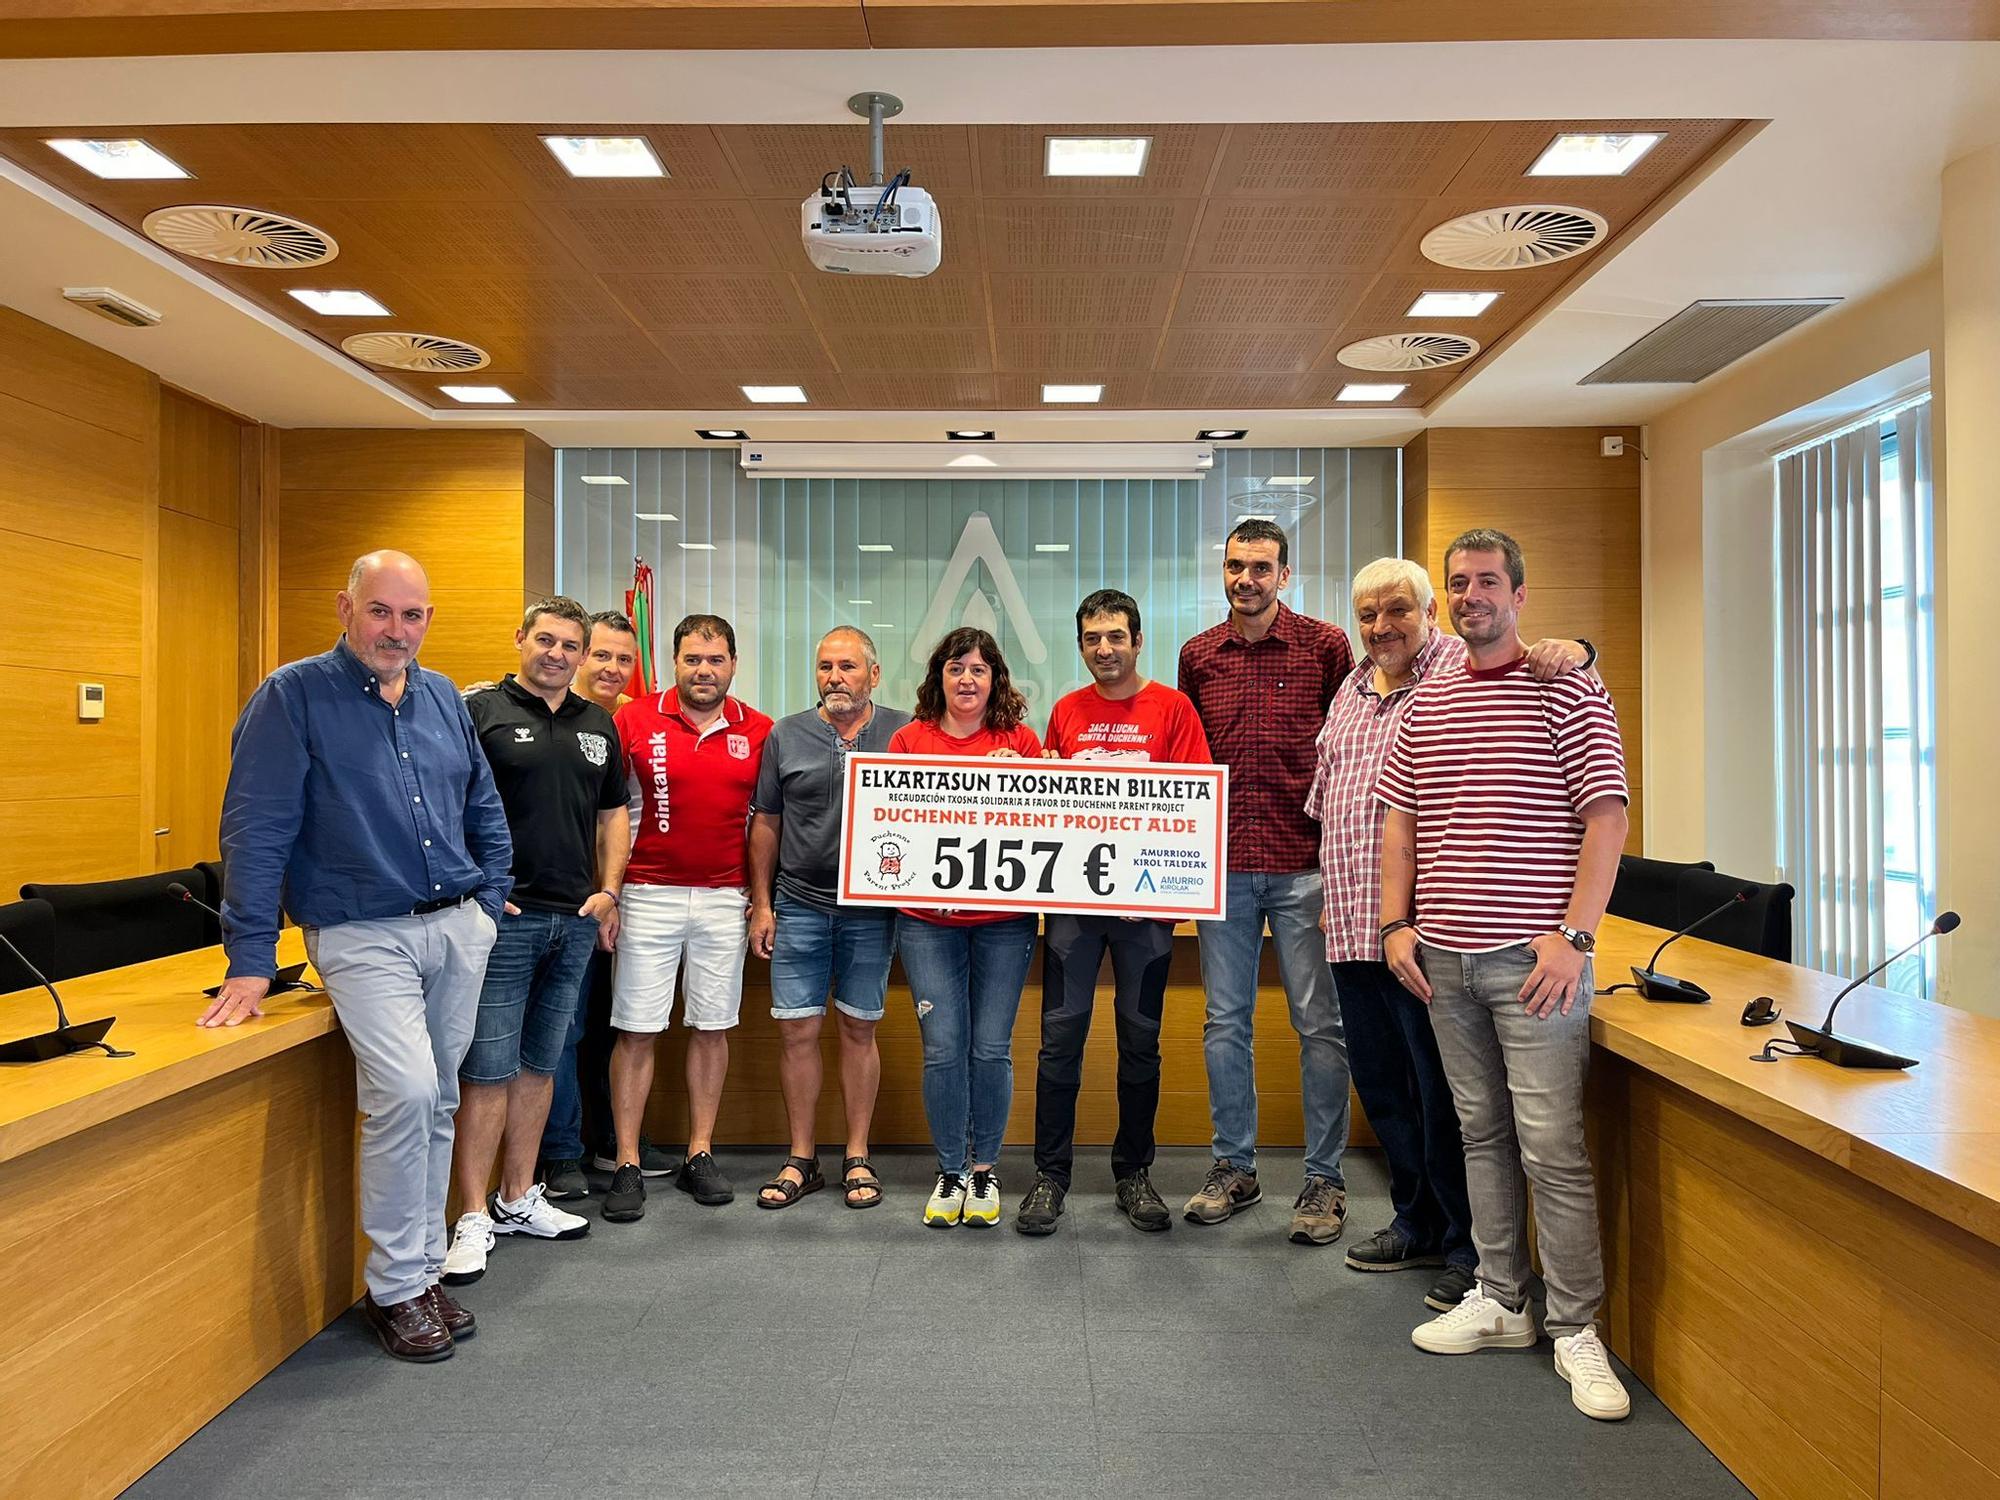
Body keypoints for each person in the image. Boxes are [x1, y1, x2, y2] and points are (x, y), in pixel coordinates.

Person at [206, 550, 509, 1363]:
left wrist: (486, 903)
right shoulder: (292, 696)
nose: (396, 630)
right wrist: (250, 956)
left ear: (428, 622)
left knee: (440, 1097)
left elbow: (483, 805)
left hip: (455, 926)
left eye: (412, 616)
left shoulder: (443, 696)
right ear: (345, 607)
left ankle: (421, 1265)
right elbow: (255, 830)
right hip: (359, 931)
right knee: (406, 1094)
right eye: (380, 611)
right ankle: (394, 1287)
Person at [1378, 528, 1632, 1422]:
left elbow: (1605, 819)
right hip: (1442, 959)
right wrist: (1395, 923)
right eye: (1460, 582)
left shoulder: (1568, 684)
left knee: (1553, 1149)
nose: (1472, 594)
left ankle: (1576, 1328)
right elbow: (1399, 824)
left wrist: (1575, 937)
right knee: (1479, 1134)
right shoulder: (1425, 701)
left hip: (1537, 966)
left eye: (1489, 581)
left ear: (1520, 595)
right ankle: (1502, 1299)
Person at [1308, 557, 1590, 1313]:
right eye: (1367, 615)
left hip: (1432, 935)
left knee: (1446, 1098)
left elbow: (1538, 661)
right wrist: (1340, 902)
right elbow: (1330, 802)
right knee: (1388, 1090)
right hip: (1356, 930)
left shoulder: (1455, 675)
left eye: (1397, 610)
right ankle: (1416, 1222)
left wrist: (1579, 648)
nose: (1381, 627)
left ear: (1430, 611)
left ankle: (1472, 1250)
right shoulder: (1351, 689)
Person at [440, 598, 629, 1286]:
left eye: (570, 645)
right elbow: (442, 803)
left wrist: (609, 889)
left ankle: (519, 1196)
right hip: (503, 921)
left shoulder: (598, 725)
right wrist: (481, 886)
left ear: (582, 655)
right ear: (520, 639)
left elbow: (613, 814)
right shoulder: (479, 713)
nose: (557, 654)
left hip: (574, 919)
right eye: (544, 640)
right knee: (486, 1071)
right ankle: (470, 1217)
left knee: (540, 1066)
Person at [1177, 519, 1353, 1244]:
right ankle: (1234, 1167)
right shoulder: (1198, 656)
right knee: (1225, 1024)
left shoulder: (1327, 647)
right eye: (1234, 566)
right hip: (1223, 872)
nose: (1245, 579)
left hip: (1306, 868)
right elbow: (1188, 762)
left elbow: (1354, 743)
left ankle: (1324, 1179)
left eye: (1260, 567)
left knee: (1320, 1026)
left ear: (1285, 574)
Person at [1016, 589, 1211, 1237]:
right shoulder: (1066, 712)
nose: (1105, 648)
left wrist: (1153, 890)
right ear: (1081, 645)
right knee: (1059, 1042)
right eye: (1093, 638)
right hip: (1074, 910)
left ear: (1136, 640)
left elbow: (1192, 808)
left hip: (1145, 914)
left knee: (1140, 1043)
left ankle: (1134, 1173)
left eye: (1116, 637)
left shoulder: (1173, 708)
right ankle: (1051, 1175)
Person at [601, 613, 773, 1222]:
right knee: (637, 1028)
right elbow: (608, 811)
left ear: (733, 663)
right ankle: (626, 1160)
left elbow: (764, 826)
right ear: (675, 662)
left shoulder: (759, 731)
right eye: (693, 659)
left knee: (712, 1026)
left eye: (716, 659)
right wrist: (611, 892)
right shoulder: (633, 718)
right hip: (647, 894)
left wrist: (761, 902)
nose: (705, 670)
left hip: (726, 899)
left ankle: (700, 1152)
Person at [746, 627, 910, 1211]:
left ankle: (858, 1155)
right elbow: (766, 820)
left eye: (847, 666)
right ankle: (801, 1157)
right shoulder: (785, 734)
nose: (834, 678)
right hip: (798, 902)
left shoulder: (906, 731)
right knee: (797, 1030)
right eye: (824, 667)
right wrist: (761, 904)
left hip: (873, 909)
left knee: (859, 1028)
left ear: (874, 673)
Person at [887, 627, 1042, 1229]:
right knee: (944, 1048)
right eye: (956, 669)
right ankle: (951, 1168)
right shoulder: (909, 740)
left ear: (995, 679)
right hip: (927, 923)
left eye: (979, 669)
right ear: (939, 678)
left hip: (1004, 923)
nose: (967, 680)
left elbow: (1046, 829)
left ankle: (987, 1171)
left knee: (990, 1047)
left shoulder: (1020, 741)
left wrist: (1033, 780)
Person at [536, 610, 680, 1199]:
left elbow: (618, 819)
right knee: (567, 1029)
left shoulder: (624, 724)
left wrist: (614, 893)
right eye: (602, 655)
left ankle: (612, 1140)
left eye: (626, 659)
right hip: (565, 903)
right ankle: (563, 1151)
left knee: (611, 1028)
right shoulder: (560, 723)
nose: (614, 669)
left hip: (621, 901)